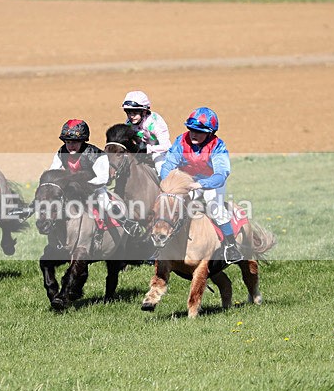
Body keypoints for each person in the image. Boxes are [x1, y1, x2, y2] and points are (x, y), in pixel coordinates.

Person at [160, 107, 244, 263]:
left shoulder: (218, 146)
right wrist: (169, 184)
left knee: (214, 207)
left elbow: (221, 175)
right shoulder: (181, 141)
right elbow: (168, 165)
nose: (194, 134)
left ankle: (231, 246)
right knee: (168, 203)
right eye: (191, 129)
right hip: (187, 181)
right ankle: (161, 243)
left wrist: (200, 184)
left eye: (199, 131)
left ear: (210, 133)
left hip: (211, 182)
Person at [33, 119, 141, 236]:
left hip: (94, 188)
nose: (71, 146)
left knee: (104, 201)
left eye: (75, 142)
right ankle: (30, 211)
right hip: (71, 188)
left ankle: (126, 223)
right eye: (68, 142)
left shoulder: (96, 155)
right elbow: (53, 172)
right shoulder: (61, 152)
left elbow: (102, 179)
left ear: (83, 141)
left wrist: (82, 185)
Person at [121, 90, 172, 175]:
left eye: (135, 112)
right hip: (141, 151)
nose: (131, 116)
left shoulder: (155, 122)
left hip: (159, 152)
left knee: (159, 166)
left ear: (144, 111)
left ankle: (165, 182)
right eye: (128, 112)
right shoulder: (128, 123)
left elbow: (167, 146)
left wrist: (147, 149)